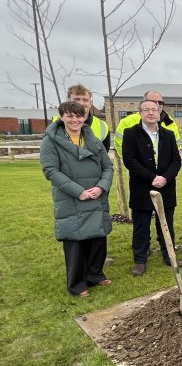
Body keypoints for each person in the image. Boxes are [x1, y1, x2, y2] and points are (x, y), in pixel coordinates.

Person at [40, 101, 113, 297]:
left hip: (96, 195)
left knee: (97, 239)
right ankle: (77, 284)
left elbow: (107, 166)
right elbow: (50, 170)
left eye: (79, 116)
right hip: (72, 198)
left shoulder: (92, 138)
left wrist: (101, 186)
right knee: (76, 243)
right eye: (70, 116)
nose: (75, 120)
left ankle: (95, 275)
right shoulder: (51, 141)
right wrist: (78, 191)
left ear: (84, 117)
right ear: (62, 117)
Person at [122, 99, 182, 276]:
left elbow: (176, 160)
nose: (150, 113)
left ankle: (168, 255)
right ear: (140, 113)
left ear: (159, 112)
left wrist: (165, 178)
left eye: (154, 110)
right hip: (142, 187)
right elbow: (129, 160)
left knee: (166, 224)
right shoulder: (131, 133)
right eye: (146, 110)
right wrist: (151, 178)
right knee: (141, 225)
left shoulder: (168, 135)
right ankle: (140, 260)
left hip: (166, 186)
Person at [114, 90, 181, 157]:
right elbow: (119, 144)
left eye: (160, 102)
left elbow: (176, 146)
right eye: (153, 102)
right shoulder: (127, 122)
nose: (158, 105)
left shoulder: (170, 122)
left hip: (163, 166)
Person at [52, 84, 111, 152]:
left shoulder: (103, 126)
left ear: (90, 103)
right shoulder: (55, 124)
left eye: (85, 100)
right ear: (68, 101)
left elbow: (103, 154)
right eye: (77, 99)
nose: (81, 103)